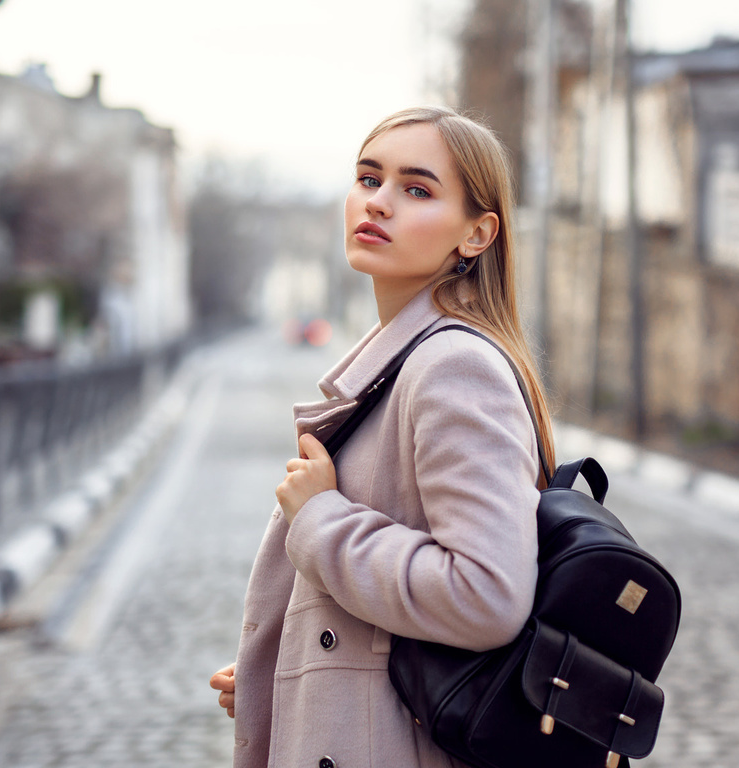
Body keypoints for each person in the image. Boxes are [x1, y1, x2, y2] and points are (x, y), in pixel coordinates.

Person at [210, 106, 556, 768]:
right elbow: (377, 614)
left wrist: (320, 519)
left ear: (478, 233)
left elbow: (485, 595)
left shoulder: (453, 367)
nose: (380, 203)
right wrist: (288, 668)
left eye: (417, 189)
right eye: (369, 179)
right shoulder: (404, 363)